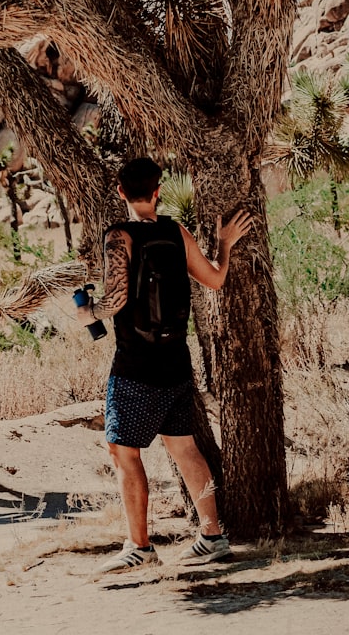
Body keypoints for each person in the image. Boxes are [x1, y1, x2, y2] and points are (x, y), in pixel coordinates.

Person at [76, 157, 252, 573]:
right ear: (158, 191)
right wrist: (224, 242)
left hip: (136, 362)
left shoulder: (119, 236)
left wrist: (89, 313)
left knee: (123, 451)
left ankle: (139, 545)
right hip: (176, 358)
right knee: (184, 445)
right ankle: (212, 535)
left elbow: (116, 300)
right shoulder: (176, 231)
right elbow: (214, 279)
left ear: (120, 191)